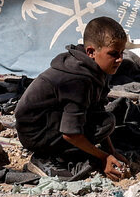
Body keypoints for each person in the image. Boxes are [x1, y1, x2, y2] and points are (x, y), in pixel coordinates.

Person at [15, 16, 131, 182]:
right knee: (99, 126)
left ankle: (67, 152)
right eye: (113, 54)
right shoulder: (77, 80)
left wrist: (111, 152)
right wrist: (103, 157)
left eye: (121, 53)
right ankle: (45, 159)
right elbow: (70, 134)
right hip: (36, 133)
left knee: (106, 122)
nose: (120, 59)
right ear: (91, 52)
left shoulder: (96, 70)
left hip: (51, 122)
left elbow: (97, 112)